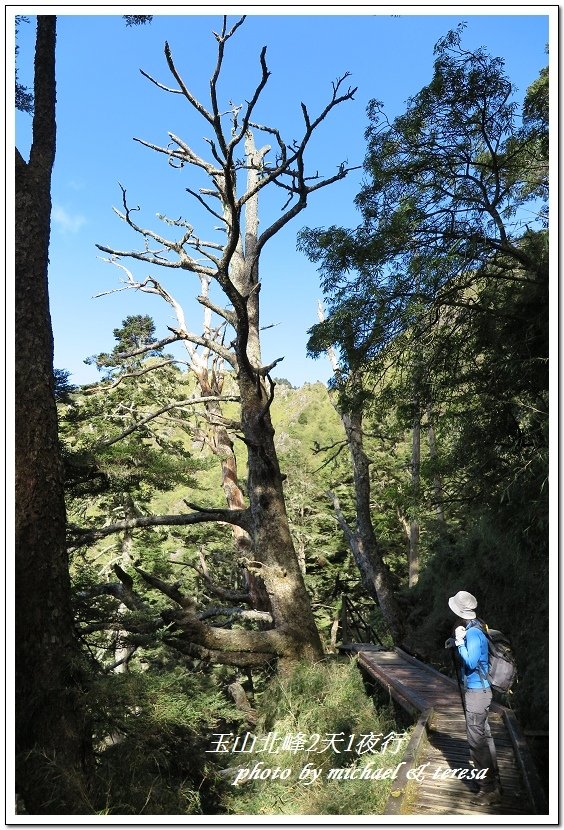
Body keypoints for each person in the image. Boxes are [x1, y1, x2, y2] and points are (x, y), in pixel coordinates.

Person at [446, 590, 501, 806]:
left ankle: (488, 789)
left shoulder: (474, 633)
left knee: (476, 741)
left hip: (477, 693)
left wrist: (460, 643)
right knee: (485, 736)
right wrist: (456, 640)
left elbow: (469, 662)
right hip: (481, 691)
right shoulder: (477, 626)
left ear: (460, 612)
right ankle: (494, 779)